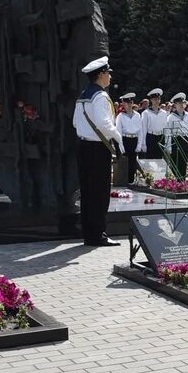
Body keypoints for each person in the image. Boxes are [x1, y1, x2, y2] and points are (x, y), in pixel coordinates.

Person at [74, 57, 123, 247]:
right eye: (108, 73)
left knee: (87, 192)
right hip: (97, 148)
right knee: (100, 193)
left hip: (83, 146)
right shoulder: (101, 96)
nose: (110, 76)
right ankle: (98, 235)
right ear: (101, 74)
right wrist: (118, 138)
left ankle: (89, 233)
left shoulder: (84, 95)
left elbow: (75, 122)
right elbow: (104, 124)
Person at [114, 92, 144, 184]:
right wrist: (121, 145)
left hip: (134, 139)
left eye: (131, 103)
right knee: (125, 163)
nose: (130, 105)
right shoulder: (120, 116)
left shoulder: (137, 115)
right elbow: (118, 131)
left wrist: (139, 144)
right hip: (125, 139)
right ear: (123, 104)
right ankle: (124, 181)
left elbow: (140, 131)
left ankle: (131, 181)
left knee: (133, 163)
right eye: (127, 103)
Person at [166, 94, 188, 179]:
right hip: (175, 140)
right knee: (175, 162)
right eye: (179, 103)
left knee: (184, 162)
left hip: (185, 139)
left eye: (183, 103)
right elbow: (168, 132)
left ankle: (182, 182)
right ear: (175, 105)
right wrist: (168, 146)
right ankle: (175, 183)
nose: (182, 105)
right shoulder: (170, 117)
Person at [141, 88, 167, 159]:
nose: (157, 101)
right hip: (150, 137)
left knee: (160, 159)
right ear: (151, 100)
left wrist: (166, 141)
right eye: (155, 99)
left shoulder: (164, 113)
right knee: (150, 160)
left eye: (158, 99)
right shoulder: (146, 113)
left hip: (161, 137)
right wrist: (143, 144)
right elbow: (144, 129)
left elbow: (165, 127)